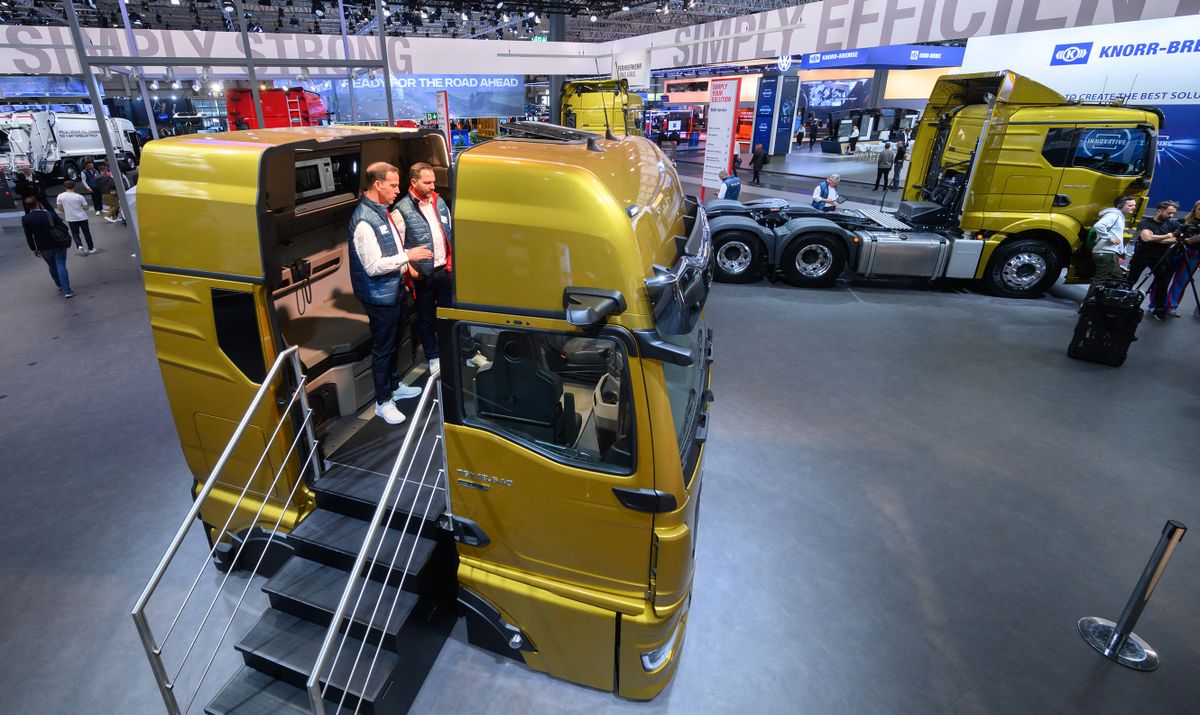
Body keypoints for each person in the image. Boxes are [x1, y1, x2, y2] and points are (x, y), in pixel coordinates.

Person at [347, 161, 434, 425]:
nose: (398, 190)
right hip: (378, 296)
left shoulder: (382, 211)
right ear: (378, 184)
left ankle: (394, 387)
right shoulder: (363, 220)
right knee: (383, 349)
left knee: (396, 341)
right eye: (393, 185)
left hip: (393, 289)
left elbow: (392, 247)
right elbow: (373, 267)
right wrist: (407, 256)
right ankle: (383, 402)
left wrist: (406, 265)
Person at [391, 162, 459, 376]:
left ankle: (456, 351)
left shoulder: (439, 202)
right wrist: (412, 272)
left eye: (433, 181)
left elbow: (448, 232)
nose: (432, 186)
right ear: (414, 182)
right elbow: (397, 247)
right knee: (426, 317)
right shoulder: (401, 210)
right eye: (427, 182)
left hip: (444, 270)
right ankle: (433, 356)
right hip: (423, 276)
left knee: (450, 315)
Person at [1126, 200, 1180, 321]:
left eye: (1173, 213)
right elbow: (1146, 238)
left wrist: (1155, 238)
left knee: (1162, 284)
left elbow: (1178, 239)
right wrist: (1167, 236)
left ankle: (1159, 310)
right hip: (1142, 256)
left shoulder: (1173, 225)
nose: (1171, 216)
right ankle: (1123, 303)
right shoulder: (1145, 223)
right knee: (1130, 280)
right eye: (1169, 212)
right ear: (1159, 209)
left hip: (1161, 259)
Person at [22, 196, 74, 298]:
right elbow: (64, 227)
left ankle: (59, 284)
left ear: (27, 206)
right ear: (37, 203)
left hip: (43, 246)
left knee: (51, 265)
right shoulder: (50, 214)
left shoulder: (26, 219)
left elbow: (29, 236)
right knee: (61, 264)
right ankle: (67, 290)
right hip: (58, 243)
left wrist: (33, 248)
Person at [1162, 199, 1200, 317]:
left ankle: (1171, 306)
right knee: (1164, 277)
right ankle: (1156, 304)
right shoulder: (1183, 221)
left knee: (1181, 281)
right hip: (1176, 250)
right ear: (1195, 210)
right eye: (1199, 209)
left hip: (1195, 254)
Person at [1090, 196, 1137, 285]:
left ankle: (1100, 298)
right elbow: (1098, 226)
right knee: (1102, 279)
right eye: (1130, 205)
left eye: (1134, 205)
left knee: (1114, 278)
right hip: (1106, 252)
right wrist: (1109, 238)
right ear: (1120, 206)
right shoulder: (1113, 215)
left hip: (1108, 252)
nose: (1133, 208)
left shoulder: (1119, 216)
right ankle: (1090, 298)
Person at [56, 180, 95, 255]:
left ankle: (79, 245)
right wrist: (83, 208)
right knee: (86, 233)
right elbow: (86, 207)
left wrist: (66, 211)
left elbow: (59, 208)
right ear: (74, 186)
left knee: (75, 233)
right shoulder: (79, 196)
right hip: (82, 217)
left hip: (71, 218)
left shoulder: (60, 196)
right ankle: (91, 248)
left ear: (65, 186)